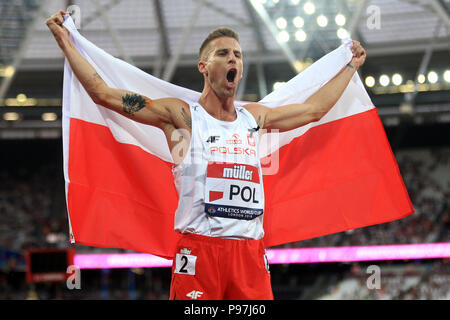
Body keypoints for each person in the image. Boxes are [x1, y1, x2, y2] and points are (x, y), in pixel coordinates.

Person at [46, 10, 366, 300]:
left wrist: (350, 66)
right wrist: (67, 43)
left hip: (249, 253)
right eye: (223, 53)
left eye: (238, 55)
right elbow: (104, 94)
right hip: (199, 252)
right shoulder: (182, 117)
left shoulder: (254, 119)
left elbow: (313, 110)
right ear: (203, 66)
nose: (233, 60)